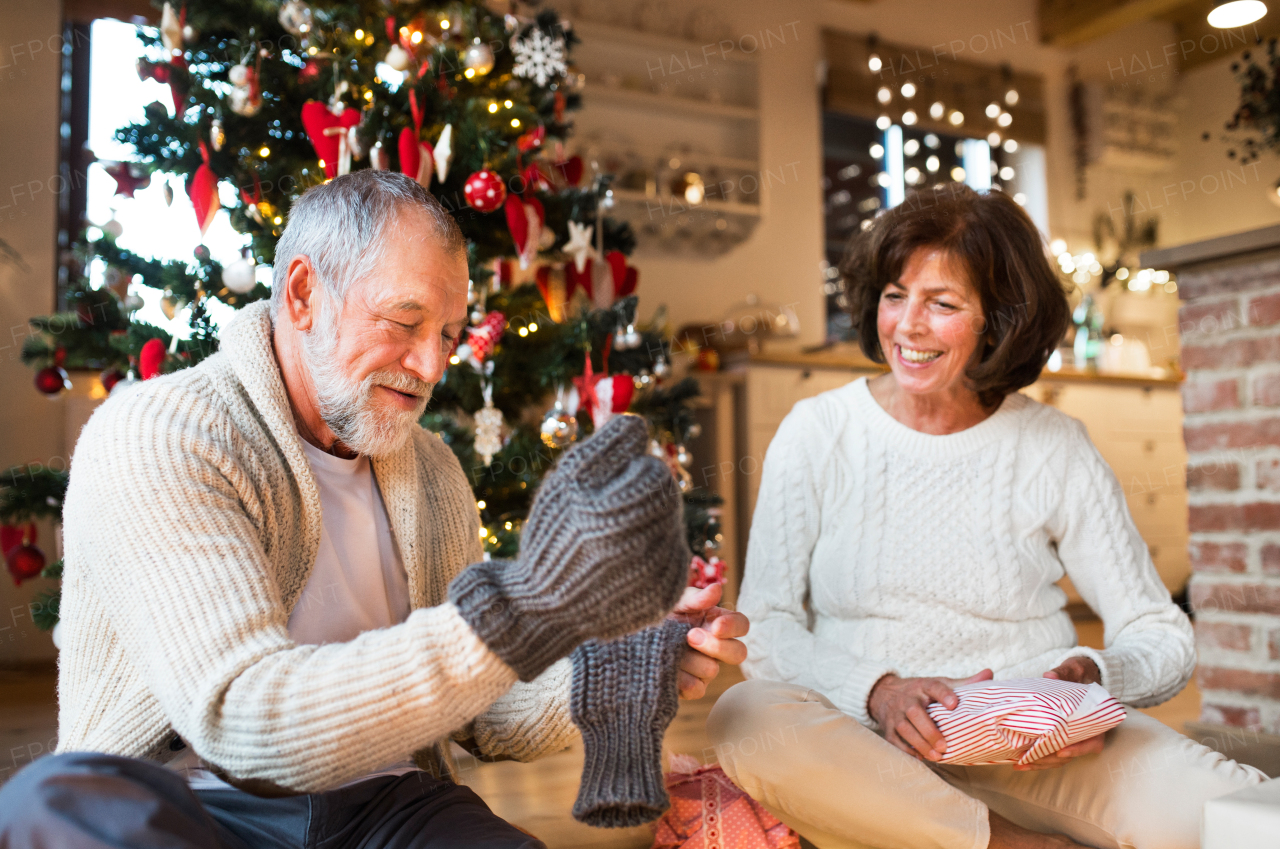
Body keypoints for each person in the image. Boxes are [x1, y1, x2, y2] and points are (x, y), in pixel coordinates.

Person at [0, 170, 749, 849]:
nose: (431, 365)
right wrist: (524, 604)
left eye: (449, 336)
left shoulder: (432, 471)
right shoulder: (162, 434)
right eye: (404, 321)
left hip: (389, 808)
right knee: (47, 803)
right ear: (302, 295)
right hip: (198, 808)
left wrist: (623, 657)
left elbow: (488, 715)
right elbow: (245, 718)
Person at [707, 184, 1265, 849]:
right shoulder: (817, 432)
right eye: (894, 295)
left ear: (997, 320)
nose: (907, 326)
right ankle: (1009, 843)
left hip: (1038, 743)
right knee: (743, 718)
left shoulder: (1054, 445)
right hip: (867, 744)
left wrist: (1089, 675)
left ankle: (929, 834)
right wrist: (880, 690)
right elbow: (765, 626)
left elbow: (1159, 631)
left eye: (941, 304)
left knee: (1224, 810)